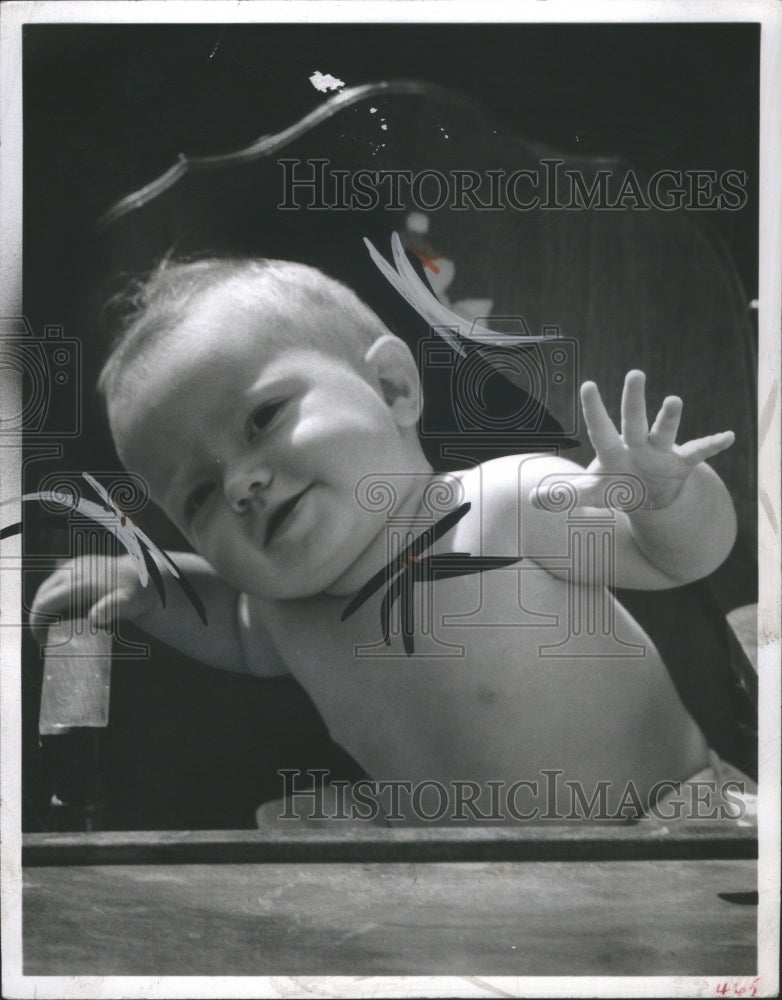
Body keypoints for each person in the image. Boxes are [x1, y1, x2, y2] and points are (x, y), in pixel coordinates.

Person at [32, 256, 745, 824]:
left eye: (261, 421)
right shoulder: (286, 610)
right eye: (198, 494)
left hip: (661, 829)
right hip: (477, 887)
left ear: (392, 385)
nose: (242, 484)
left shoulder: (500, 505)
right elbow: (236, 628)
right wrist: (149, 586)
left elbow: (675, 556)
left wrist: (667, 497)